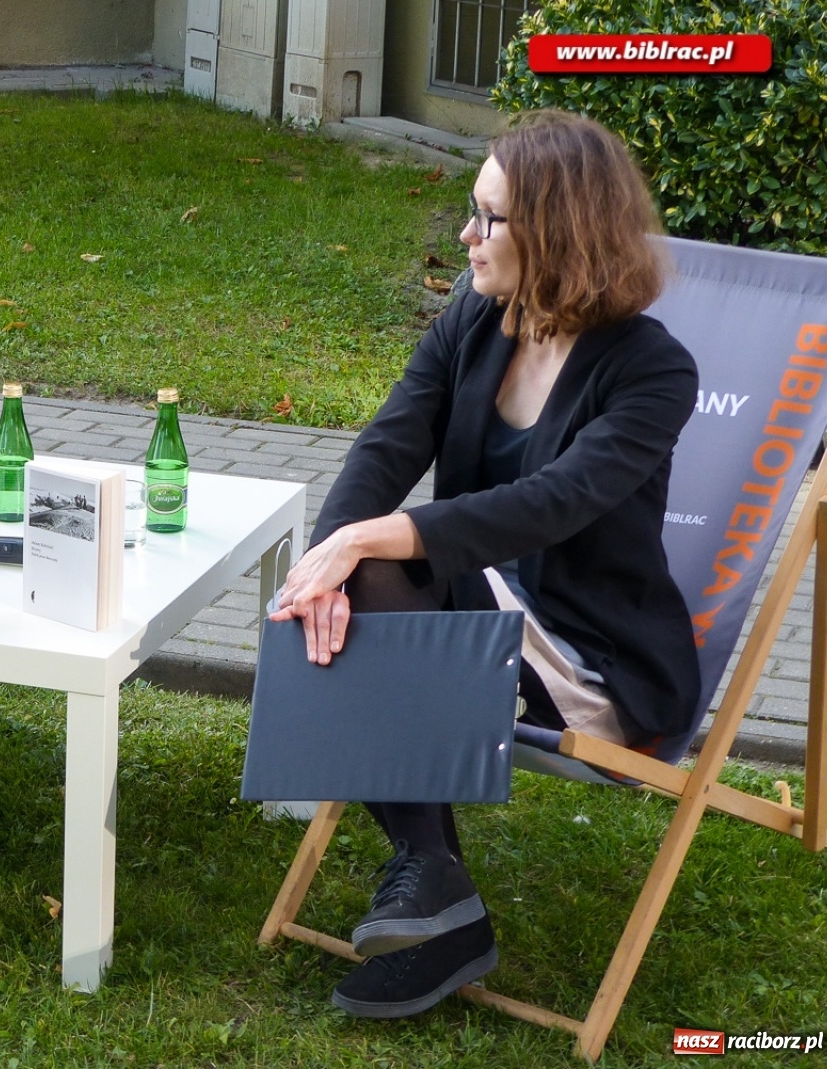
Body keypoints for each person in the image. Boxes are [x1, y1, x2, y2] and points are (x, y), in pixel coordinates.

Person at [269, 110, 701, 1016]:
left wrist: (370, 543)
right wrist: (331, 555)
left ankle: (438, 893)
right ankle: (442, 892)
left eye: (489, 218)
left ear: (557, 231)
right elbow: (390, 442)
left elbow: (551, 505)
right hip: (482, 614)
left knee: (382, 574)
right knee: (355, 581)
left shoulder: (652, 371)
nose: (465, 235)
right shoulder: (478, 316)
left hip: (591, 659)